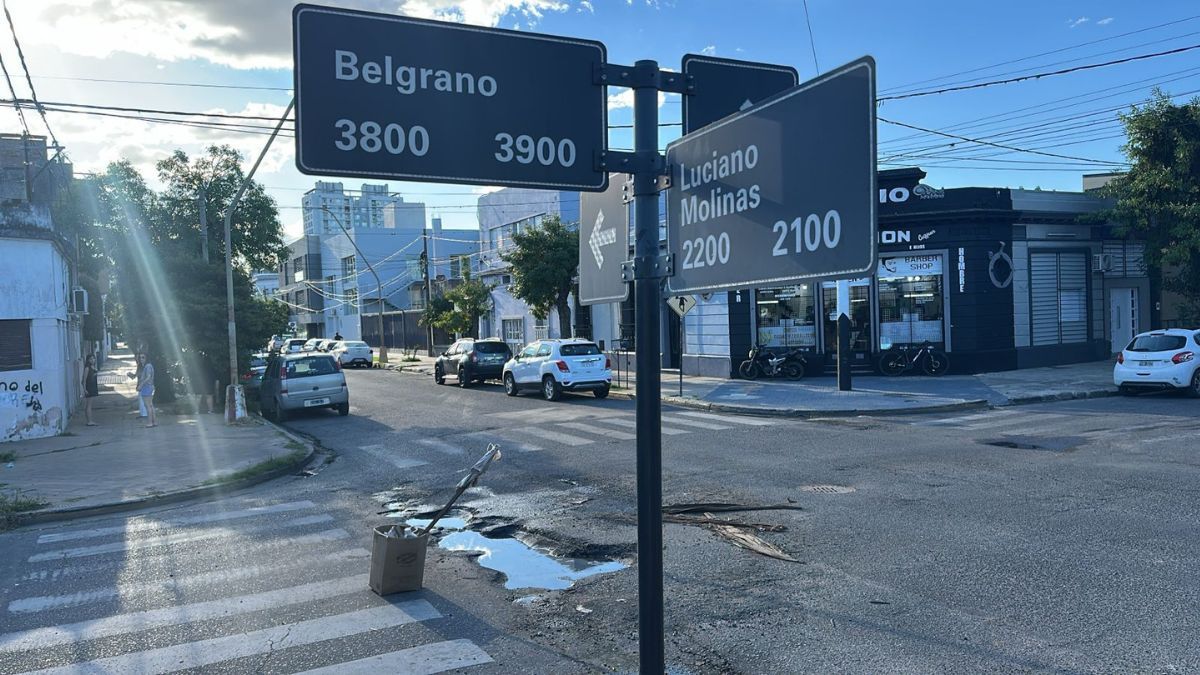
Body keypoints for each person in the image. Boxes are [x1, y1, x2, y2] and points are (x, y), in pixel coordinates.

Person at [136, 351, 157, 428]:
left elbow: (148, 377)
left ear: (147, 358)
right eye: (140, 358)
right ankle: (154, 422)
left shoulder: (147, 366)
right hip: (150, 387)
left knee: (147, 405)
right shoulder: (149, 366)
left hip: (146, 387)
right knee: (151, 405)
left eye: (143, 357)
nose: (141, 359)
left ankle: (150, 422)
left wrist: (141, 385)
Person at [82, 354, 99, 426]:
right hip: (89, 387)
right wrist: (85, 389)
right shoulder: (87, 368)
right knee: (89, 405)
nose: (92, 360)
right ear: (88, 360)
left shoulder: (93, 367)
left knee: (89, 404)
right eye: (90, 359)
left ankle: (89, 420)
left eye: (93, 359)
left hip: (93, 386)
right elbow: (84, 380)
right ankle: (89, 421)